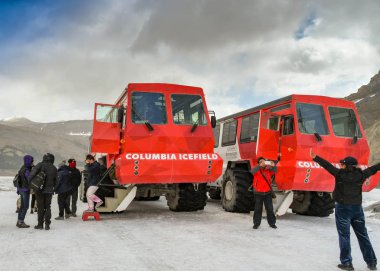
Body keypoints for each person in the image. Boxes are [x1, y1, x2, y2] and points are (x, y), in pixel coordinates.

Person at [310, 149, 379, 271]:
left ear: (346, 165)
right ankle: (372, 262)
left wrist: (315, 157)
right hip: (357, 209)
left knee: (344, 236)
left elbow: (327, 166)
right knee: (363, 235)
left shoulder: (339, 174)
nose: (341, 165)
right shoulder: (362, 175)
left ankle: (347, 263)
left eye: (342, 164)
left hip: (343, 209)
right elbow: (374, 168)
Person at [28, 153, 57, 230]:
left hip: (39, 190)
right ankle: (47, 224)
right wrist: (53, 189)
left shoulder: (40, 165)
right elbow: (57, 180)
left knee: (40, 207)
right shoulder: (54, 168)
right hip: (49, 191)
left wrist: (30, 184)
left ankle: (40, 224)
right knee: (48, 207)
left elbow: (32, 174)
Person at [251, 157, 277, 229]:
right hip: (258, 193)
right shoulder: (256, 170)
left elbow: (275, 171)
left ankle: (272, 223)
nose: (263, 163)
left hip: (267, 193)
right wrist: (260, 166)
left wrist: (273, 165)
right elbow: (252, 171)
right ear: (259, 163)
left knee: (270, 209)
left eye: (264, 161)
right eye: (261, 161)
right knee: (257, 209)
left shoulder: (268, 170)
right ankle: (256, 224)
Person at [16, 155, 34, 228]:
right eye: (32, 161)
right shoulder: (26, 169)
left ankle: (19, 221)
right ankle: (21, 221)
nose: (33, 162)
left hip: (21, 189)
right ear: (29, 161)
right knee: (25, 206)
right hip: (25, 189)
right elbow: (29, 178)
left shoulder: (22, 168)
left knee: (22, 206)